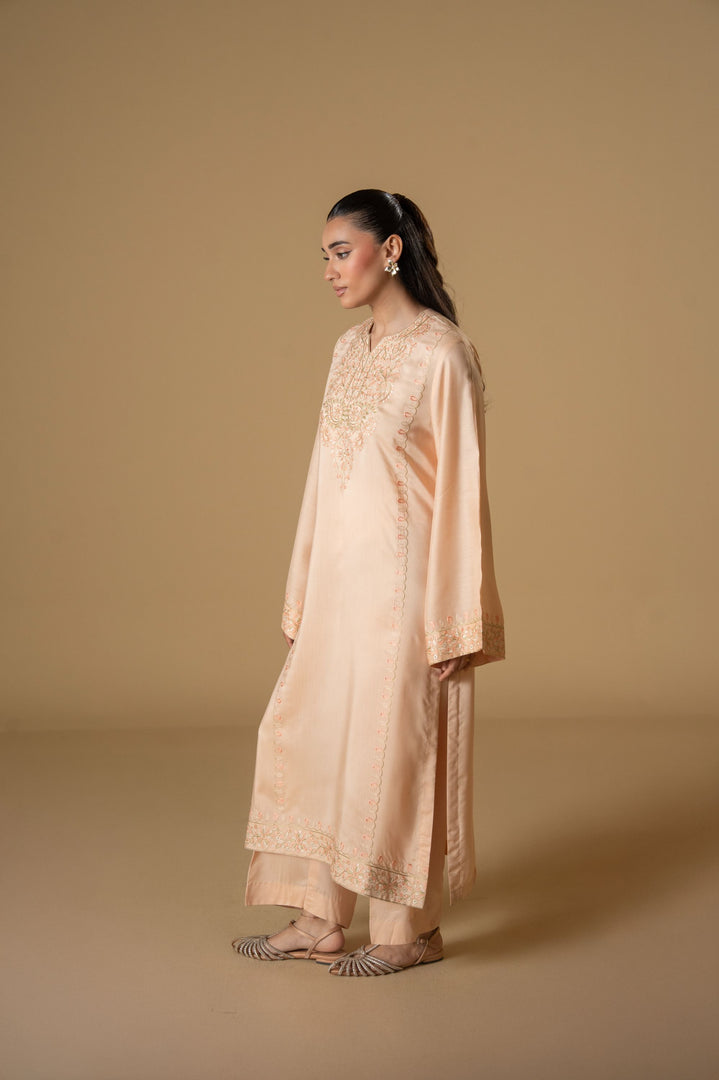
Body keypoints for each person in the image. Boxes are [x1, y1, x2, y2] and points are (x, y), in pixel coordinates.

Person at [232, 189, 505, 976]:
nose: (328, 269)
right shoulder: (347, 351)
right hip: (338, 587)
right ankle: (319, 919)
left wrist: (454, 620)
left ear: (389, 250)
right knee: (316, 740)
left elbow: (462, 493)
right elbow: (323, 480)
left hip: (403, 594)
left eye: (340, 252)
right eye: (323, 255)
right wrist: (302, 587)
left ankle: (406, 933)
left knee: (393, 753)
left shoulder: (443, 353)